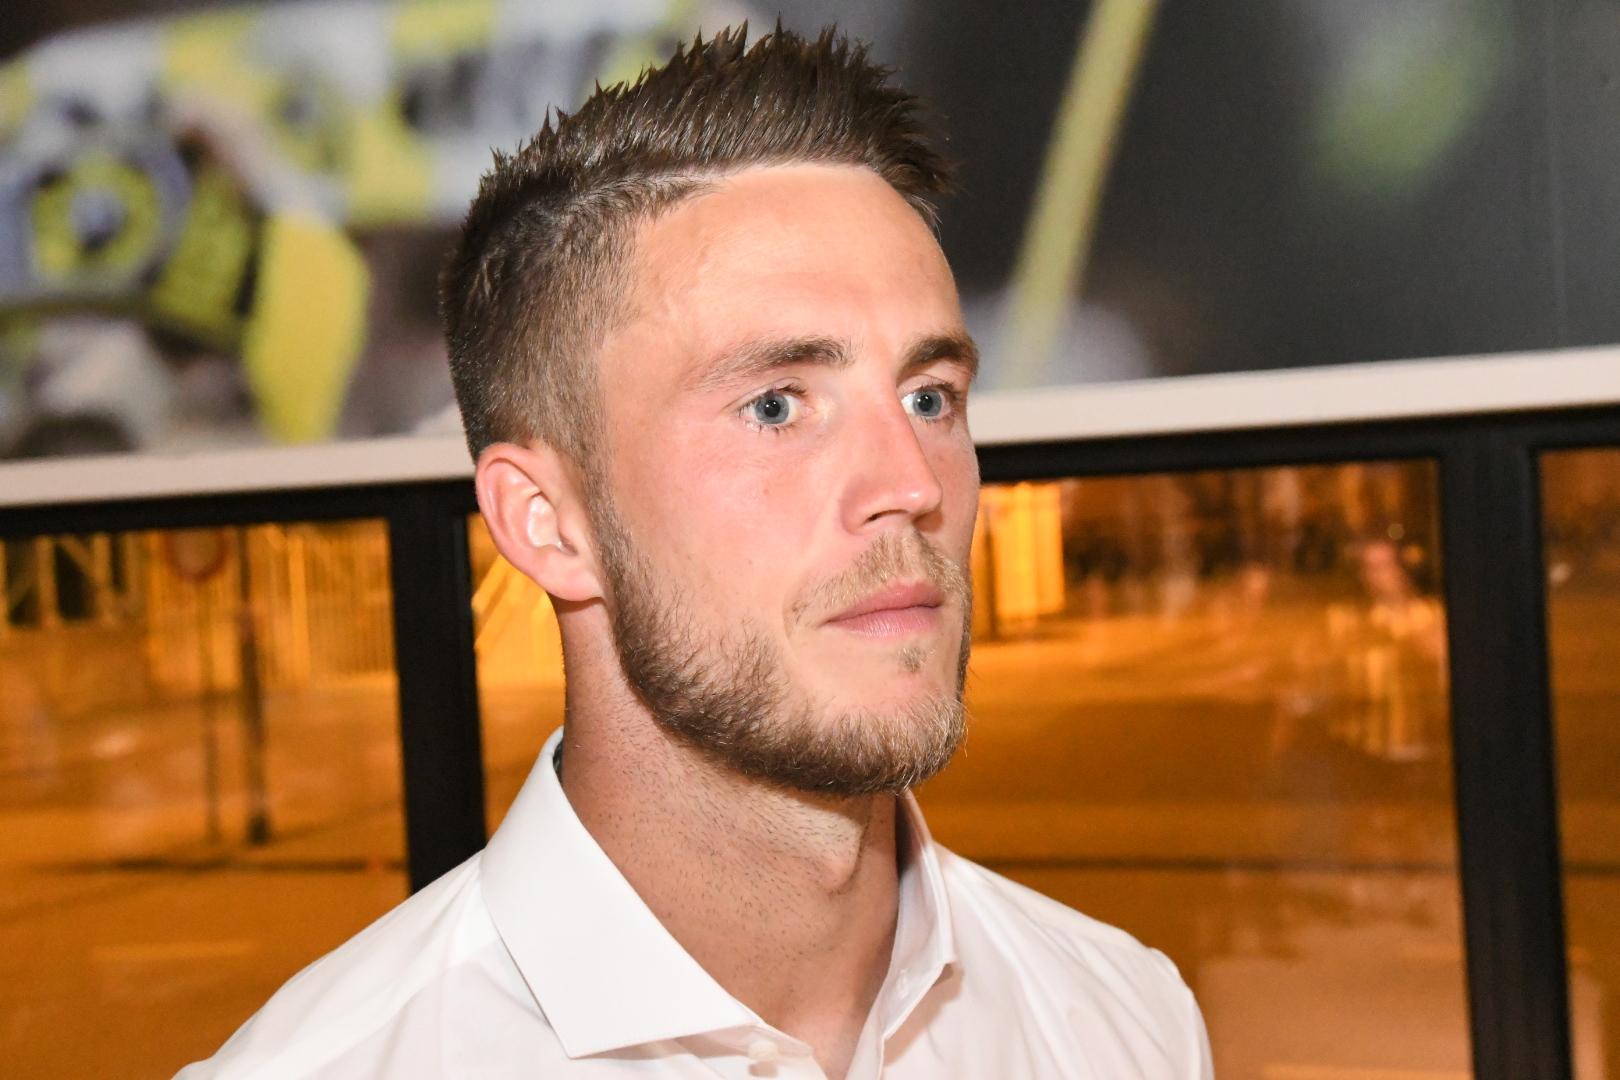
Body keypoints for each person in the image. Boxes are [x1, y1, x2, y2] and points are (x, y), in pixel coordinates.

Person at [181, 25, 1212, 1079]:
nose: (912, 485)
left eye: (928, 397)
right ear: (547, 521)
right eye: (776, 405)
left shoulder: (1123, 1022)